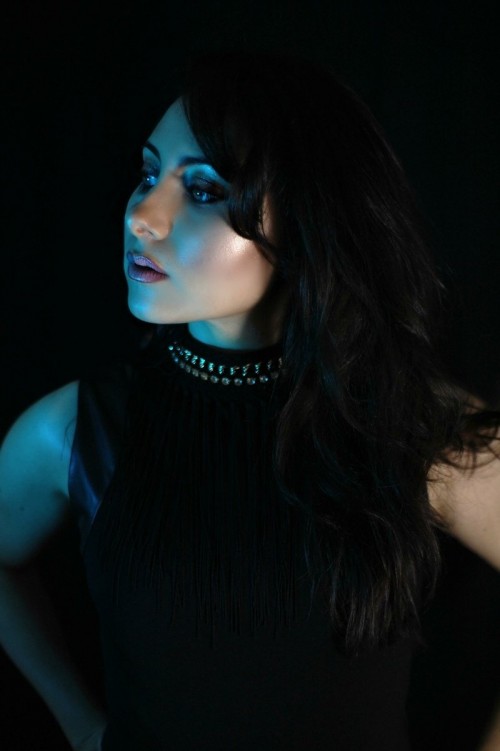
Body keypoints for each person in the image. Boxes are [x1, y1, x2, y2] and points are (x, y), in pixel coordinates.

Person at [1, 48, 499, 751]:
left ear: (307, 221)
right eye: (149, 174)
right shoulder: (77, 430)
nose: (143, 215)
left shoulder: (410, 426)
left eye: (205, 190)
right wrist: (80, 723)